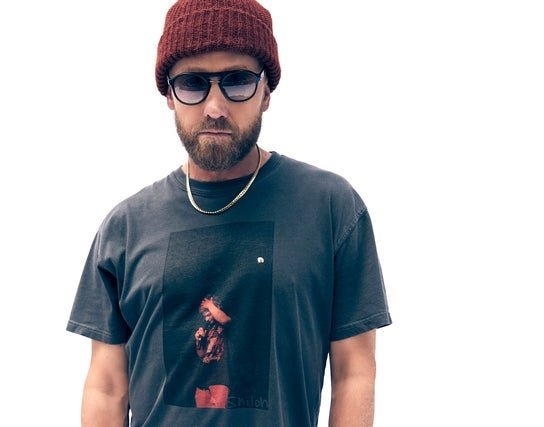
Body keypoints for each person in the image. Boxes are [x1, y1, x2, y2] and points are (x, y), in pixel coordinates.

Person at [67, 0, 392, 426]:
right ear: (169, 95)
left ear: (266, 92)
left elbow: (354, 373)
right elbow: (107, 387)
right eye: (192, 83)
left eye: (237, 81)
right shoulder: (125, 228)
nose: (215, 107)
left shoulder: (330, 208)